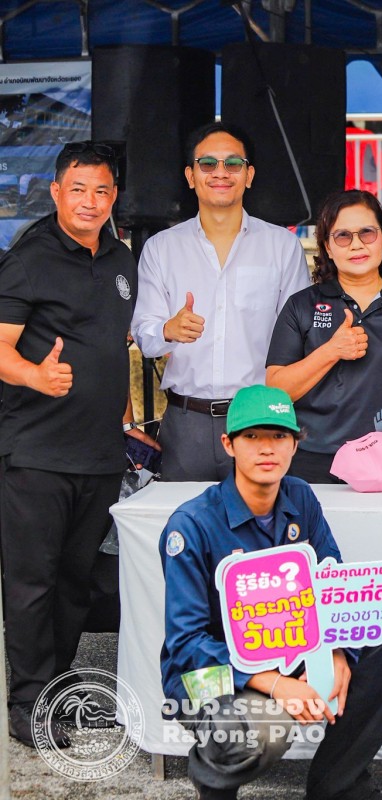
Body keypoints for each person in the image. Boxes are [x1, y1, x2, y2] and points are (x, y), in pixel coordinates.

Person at [159, 385, 382, 799]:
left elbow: (333, 586)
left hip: (289, 651)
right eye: (252, 436)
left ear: (295, 444)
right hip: (208, 671)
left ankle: (337, 787)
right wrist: (275, 684)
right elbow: (186, 645)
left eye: (278, 436)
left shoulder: (300, 496)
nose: (266, 448)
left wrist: (338, 652)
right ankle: (213, 783)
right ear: (229, 444)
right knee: (260, 732)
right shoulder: (191, 525)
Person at [0, 141, 158, 747]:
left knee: (74, 582)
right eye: (78, 190)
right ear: (56, 192)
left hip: (99, 454)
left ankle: (54, 690)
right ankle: (27, 704)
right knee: (32, 583)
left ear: (114, 196)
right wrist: (35, 376)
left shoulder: (121, 258)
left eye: (101, 191)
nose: (90, 202)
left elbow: (109, 346)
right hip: (36, 454)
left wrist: (124, 417)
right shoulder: (28, 259)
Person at [132, 121, 310, 481]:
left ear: (249, 175)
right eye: (208, 163)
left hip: (261, 418)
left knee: (265, 517)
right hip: (187, 423)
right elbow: (144, 337)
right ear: (190, 176)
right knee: (184, 516)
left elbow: (299, 339)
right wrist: (168, 329)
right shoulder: (161, 248)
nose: (220, 173)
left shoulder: (282, 246)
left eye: (233, 163)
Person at [266, 190, 382, 484]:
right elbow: (277, 390)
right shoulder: (301, 305)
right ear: (327, 246)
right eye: (343, 236)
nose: (357, 244)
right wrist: (330, 351)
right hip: (307, 460)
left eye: (367, 233)